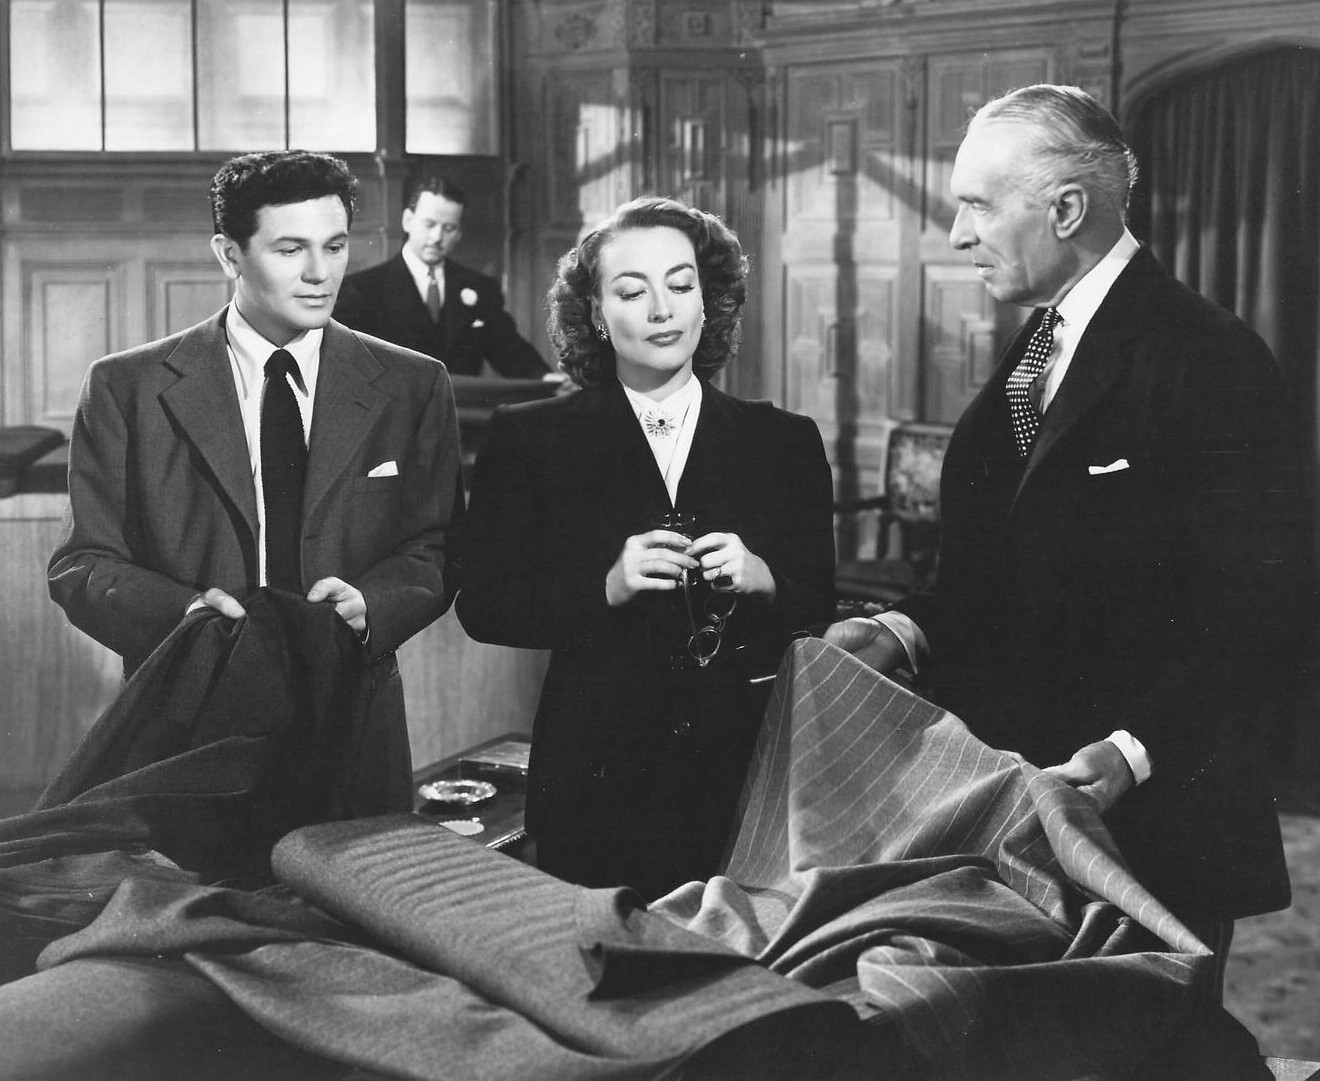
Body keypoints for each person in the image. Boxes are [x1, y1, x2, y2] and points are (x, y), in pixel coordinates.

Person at [825, 84, 1313, 990]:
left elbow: (1263, 614)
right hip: (1021, 818)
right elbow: (998, 574)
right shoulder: (1038, 347)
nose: (957, 234)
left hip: (1152, 826)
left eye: (977, 205)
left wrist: (1131, 752)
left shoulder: (1209, 357)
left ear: (1066, 210)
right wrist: (902, 628)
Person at [48, 150, 464, 809]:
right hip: (185, 724)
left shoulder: (414, 384)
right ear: (229, 255)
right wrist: (186, 618)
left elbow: (437, 545)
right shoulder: (126, 387)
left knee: (348, 879)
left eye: (335, 246)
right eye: (291, 249)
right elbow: (82, 564)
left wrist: (371, 604)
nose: (320, 273)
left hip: (351, 725)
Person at [455, 196, 836, 899]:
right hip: (595, 776)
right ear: (596, 314)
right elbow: (483, 606)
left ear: (708, 302)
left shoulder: (783, 441)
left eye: (681, 285)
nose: (663, 310)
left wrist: (763, 577)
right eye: (632, 292)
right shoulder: (530, 437)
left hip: (742, 776)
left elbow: (818, 601)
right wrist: (605, 587)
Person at [333, 173, 550, 379]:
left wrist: (545, 377)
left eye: (448, 228)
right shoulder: (362, 289)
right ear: (408, 220)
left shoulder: (482, 288)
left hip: (460, 404)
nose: (437, 237)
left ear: (458, 233)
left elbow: (509, 350)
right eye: (429, 224)